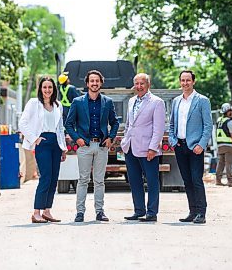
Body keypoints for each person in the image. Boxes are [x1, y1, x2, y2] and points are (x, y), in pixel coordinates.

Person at [65, 70, 119, 222]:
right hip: (85, 146)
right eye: (92, 81)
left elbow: (114, 122)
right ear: (87, 84)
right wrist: (77, 139)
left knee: (99, 181)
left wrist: (111, 138)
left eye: (97, 81)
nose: (94, 83)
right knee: (83, 180)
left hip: (101, 146)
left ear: (101, 83)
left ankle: (99, 212)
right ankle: (80, 212)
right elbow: (68, 124)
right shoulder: (78, 102)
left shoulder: (107, 102)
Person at [19, 77, 67, 223]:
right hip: (43, 142)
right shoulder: (34, 103)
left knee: (53, 179)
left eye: (50, 87)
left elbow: (60, 128)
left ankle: (47, 211)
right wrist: (35, 138)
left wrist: (63, 147)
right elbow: (22, 123)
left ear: (54, 89)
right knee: (45, 177)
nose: (47, 90)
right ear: (40, 89)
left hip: (56, 143)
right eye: (45, 87)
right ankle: (36, 212)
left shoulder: (58, 105)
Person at [168, 70, 212, 224]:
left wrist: (201, 144)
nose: (185, 83)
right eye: (182, 80)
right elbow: (172, 124)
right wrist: (173, 141)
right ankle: (192, 212)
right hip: (180, 146)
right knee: (186, 181)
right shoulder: (176, 101)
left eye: (188, 80)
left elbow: (208, 126)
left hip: (195, 147)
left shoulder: (202, 100)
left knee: (196, 180)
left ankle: (201, 212)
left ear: (193, 81)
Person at [121, 73, 166, 222]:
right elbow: (129, 124)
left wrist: (153, 148)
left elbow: (158, 128)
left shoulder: (157, 102)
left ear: (148, 85)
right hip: (131, 148)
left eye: (142, 84)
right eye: (137, 84)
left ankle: (152, 213)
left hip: (148, 149)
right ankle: (139, 210)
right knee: (134, 181)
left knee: (152, 181)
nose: (139, 87)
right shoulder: (131, 101)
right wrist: (124, 141)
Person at [215, 103, 232, 187]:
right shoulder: (230, 122)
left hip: (220, 145)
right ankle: (230, 181)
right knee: (229, 163)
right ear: (227, 111)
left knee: (220, 163)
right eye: (230, 110)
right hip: (229, 145)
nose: (231, 112)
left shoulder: (219, 120)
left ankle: (218, 180)